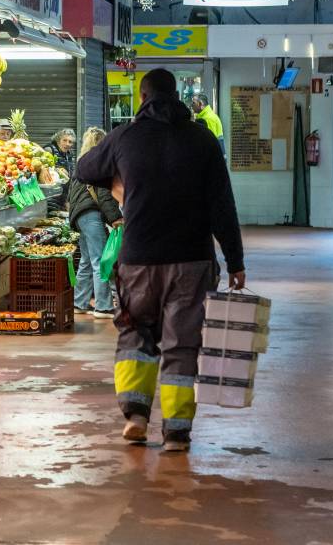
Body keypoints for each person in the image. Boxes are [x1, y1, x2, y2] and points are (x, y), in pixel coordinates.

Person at [76, 68, 244, 453]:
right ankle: (176, 434)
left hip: (139, 260)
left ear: (142, 97)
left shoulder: (125, 137)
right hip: (191, 261)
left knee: (136, 334)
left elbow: (84, 168)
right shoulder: (202, 140)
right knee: (182, 345)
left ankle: (135, 416)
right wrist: (235, 260)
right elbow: (223, 206)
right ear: (179, 97)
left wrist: (118, 184)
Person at [67, 127, 122, 319]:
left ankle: (79, 303)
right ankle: (103, 306)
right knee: (100, 261)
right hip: (91, 215)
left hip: (79, 216)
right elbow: (105, 195)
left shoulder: (82, 163)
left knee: (86, 261)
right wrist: (115, 218)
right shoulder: (100, 165)